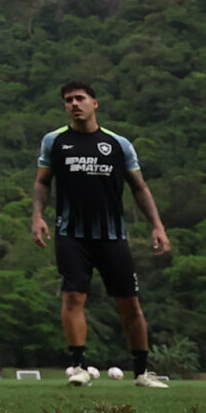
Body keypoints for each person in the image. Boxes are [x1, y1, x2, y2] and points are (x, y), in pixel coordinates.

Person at [31, 79, 171, 388]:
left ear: (95, 103)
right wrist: (38, 216)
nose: (74, 104)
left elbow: (140, 188)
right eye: (68, 100)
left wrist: (157, 225)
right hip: (71, 234)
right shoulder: (54, 141)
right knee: (73, 298)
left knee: (130, 305)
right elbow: (42, 182)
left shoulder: (119, 145)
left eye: (80, 98)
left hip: (112, 236)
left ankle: (142, 373)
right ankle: (79, 367)